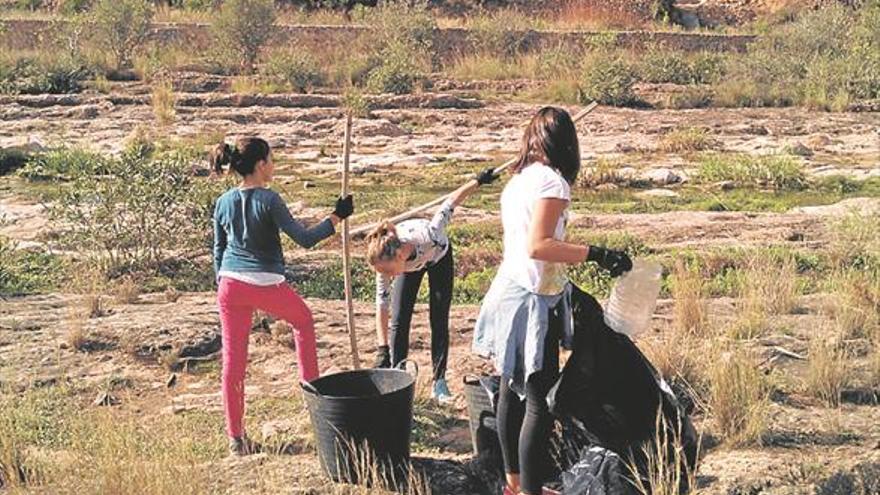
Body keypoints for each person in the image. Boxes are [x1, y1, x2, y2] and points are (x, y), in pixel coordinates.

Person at [471, 107, 632, 495]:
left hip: (509, 290)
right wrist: (598, 253)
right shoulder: (552, 183)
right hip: (530, 302)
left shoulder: (519, 180)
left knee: (511, 388)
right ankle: (529, 491)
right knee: (539, 401)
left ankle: (514, 484)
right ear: (567, 144)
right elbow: (540, 245)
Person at [211, 137, 354, 456]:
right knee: (303, 322)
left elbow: (218, 248)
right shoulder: (270, 199)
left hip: (230, 286)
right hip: (265, 282)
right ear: (261, 164)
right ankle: (316, 404)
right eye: (272, 159)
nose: (274, 165)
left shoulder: (222, 201)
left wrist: (221, 278)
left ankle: (236, 438)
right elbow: (304, 239)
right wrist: (336, 216)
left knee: (233, 364)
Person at [366, 167, 498, 403]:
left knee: (438, 318)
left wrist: (478, 180)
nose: (385, 276)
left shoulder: (431, 234)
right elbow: (382, 307)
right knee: (399, 318)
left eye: (386, 272)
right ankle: (399, 377)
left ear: (398, 256)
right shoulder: (384, 264)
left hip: (437, 257)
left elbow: (450, 202)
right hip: (411, 264)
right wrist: (381, 348)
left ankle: (439, 382)